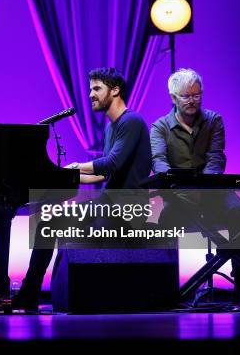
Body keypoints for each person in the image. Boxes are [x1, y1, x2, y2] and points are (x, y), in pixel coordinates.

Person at [14, 67, 152, 310]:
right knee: (48, 222)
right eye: (90, 89)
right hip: (109, 203)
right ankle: (31, 291)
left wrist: (77, 166)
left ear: (115, 90)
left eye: (97, 88)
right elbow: (102, 173)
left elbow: (111, 164)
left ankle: (43, 293)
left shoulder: (132, 121)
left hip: (128, 208)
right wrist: (66, 175)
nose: (90, 94)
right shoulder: (112, 127)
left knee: (62, 226)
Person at [150, 68, 240, 304]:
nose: (192, 101)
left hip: (213, 191)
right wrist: (179, 188)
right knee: (165, 222)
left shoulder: (214, 120)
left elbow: (216, 157)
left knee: (238, 210)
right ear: (173, 98)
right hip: (180, 195)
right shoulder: (159, 127)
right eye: (186, 96)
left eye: (197, 95)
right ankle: (168, 290)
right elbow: (158, 161)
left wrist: (205, 188)